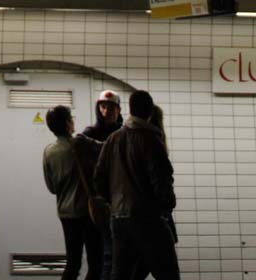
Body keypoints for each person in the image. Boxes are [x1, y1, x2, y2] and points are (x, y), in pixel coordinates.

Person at [95, 89, 177, 280]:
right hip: (147, 218)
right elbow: (161, 179)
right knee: (168, 273)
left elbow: (99, 179)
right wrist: (166, 205)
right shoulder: (151, 139)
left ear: (130, 110)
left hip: (118, 219)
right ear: (149, 111)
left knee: (122, 275)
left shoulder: (113, 139)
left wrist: (113, 202)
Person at [40, 105, 101, 279]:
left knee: (73, 263)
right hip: (87, 213)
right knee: (96, 264)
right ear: (68, 123)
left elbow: (52, 187)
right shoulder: (81, 144)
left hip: (66, 214)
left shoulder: (48, 151)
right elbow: (107, 150)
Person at [79, 92, 123, 274]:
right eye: (103, 107)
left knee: (119, 256)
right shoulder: (90, 133)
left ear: (118, 109)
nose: (106, 111)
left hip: (120, 200)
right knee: (103, 257)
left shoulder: (123, 133)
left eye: (111, 107)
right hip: (99, 202)